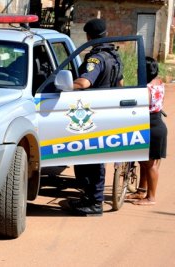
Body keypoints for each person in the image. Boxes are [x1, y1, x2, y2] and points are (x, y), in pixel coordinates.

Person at [67, 18, 124, 216]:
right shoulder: (114, 55)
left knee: (91, 158)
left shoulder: (96, 59)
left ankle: (95, 202)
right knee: (94, 157)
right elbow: (120, 84)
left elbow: (83, 83)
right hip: (106, 110)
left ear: (89, 36)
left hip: (93, 112)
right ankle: (90, 198)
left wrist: (63, 85)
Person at [125, 57, 167, 205]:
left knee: (150, 164)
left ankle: (151, 198)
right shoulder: (159, 83)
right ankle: (141, 191)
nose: (136, 71)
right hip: (155, 123)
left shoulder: (146, 88)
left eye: (139, 69)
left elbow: (140, 106)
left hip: (151, 125)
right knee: (144, 161)